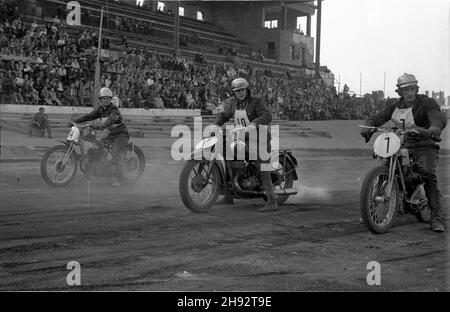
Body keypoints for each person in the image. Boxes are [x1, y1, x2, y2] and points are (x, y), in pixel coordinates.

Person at [360, 73, 447, 232]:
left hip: (424, 143)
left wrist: (433, 129)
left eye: (413, 89)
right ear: (400, 92)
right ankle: (371, 208)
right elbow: (378, 117)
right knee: (386, 165)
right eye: (406, 90)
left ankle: (436, 216)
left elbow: (437, 119)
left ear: (417, 89)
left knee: (427, 173)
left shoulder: (427, 103)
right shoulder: (394, 105)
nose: (410, 93)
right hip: (403, 141)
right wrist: (369, 127)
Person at [213, 77, 278, 212]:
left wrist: (254, 124)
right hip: (242, 138)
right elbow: (224, 115)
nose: (240, 93)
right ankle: (228, 195)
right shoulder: (233, 104)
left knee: (262, 164)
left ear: (247, 89)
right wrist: (215, 125)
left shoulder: (256, 102)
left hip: (259, 138)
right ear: (233, 92)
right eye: (237, 91)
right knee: (226, 155)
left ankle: (272, 200)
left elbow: (267, 116)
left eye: (242, 90)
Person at [68, 87, 130, 187]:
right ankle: (98, 171)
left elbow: (110, 120)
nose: (105, 100)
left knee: (115, 152)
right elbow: (89, 116)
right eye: (103, 98)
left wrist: (101, 126)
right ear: (100, 100)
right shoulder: (101, 110)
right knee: (96, 146)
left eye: (107, 98)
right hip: (110, 135)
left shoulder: (114, 110)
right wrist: (75, 121)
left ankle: (120, 179)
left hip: (121, 135)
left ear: (110, 100)